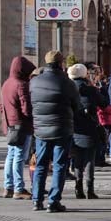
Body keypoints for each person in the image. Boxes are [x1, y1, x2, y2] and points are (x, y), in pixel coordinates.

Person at [29, 51, 81, 212]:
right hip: (62, 129)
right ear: (60, 63)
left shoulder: (34, 82)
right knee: (59, 165)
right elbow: (76, 106)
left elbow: (32, 103)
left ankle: (37, 200)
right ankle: (53, 201)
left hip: (41, 130)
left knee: (41, 165)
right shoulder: (67, 83)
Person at [0, 56, 35, 199]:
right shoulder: (21, 84)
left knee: (11, 155)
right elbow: (26, 108)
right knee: (20, 156)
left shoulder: (7, 83)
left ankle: (8, 186)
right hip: (21, 125)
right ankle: (19, 189)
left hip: (9, 124)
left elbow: (1, 105)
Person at [69, 63, 103, 199]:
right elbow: (104, 103)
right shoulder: (91, 90)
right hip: (89, 128)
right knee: (89, 159)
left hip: (73, 128)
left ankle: (78, 188)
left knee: (77, 159)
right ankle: (90, 189)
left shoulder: (68, 89)